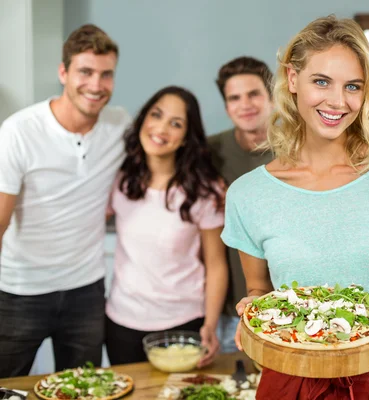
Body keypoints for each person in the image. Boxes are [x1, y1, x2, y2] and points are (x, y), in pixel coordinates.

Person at [222, 15, 369, 399]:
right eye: (321, 81)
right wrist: (252, 310)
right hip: (291, 376)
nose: (337, 101)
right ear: (293, 80)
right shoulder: (248, 194)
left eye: (353, 86)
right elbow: (260, 288)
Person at [0, 24, 130, 377]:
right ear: (63, 72)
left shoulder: (120, 125)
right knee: (7, 385)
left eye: (106, 74)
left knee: (81, 388)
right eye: (85, 72)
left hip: (85, 290)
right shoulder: (18, 132)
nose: (96, 85)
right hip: (18, 290)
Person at [104, 86, 228, 367]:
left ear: (186, 138)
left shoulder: (205, 191)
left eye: (176, 124)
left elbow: (216, 263)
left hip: (183, 322)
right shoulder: (121, 179)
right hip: (122, 322)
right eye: (156, 115)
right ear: (143, 119)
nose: (161, 128)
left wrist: (210, 324)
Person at [209, 56, 274, 353]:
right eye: (234, 98)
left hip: (284, 297)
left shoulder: (300, 148)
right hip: (228, 302)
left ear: (273, 97)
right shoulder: (211, 151)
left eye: (253, 94)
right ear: (226, 107)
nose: (244, 105)